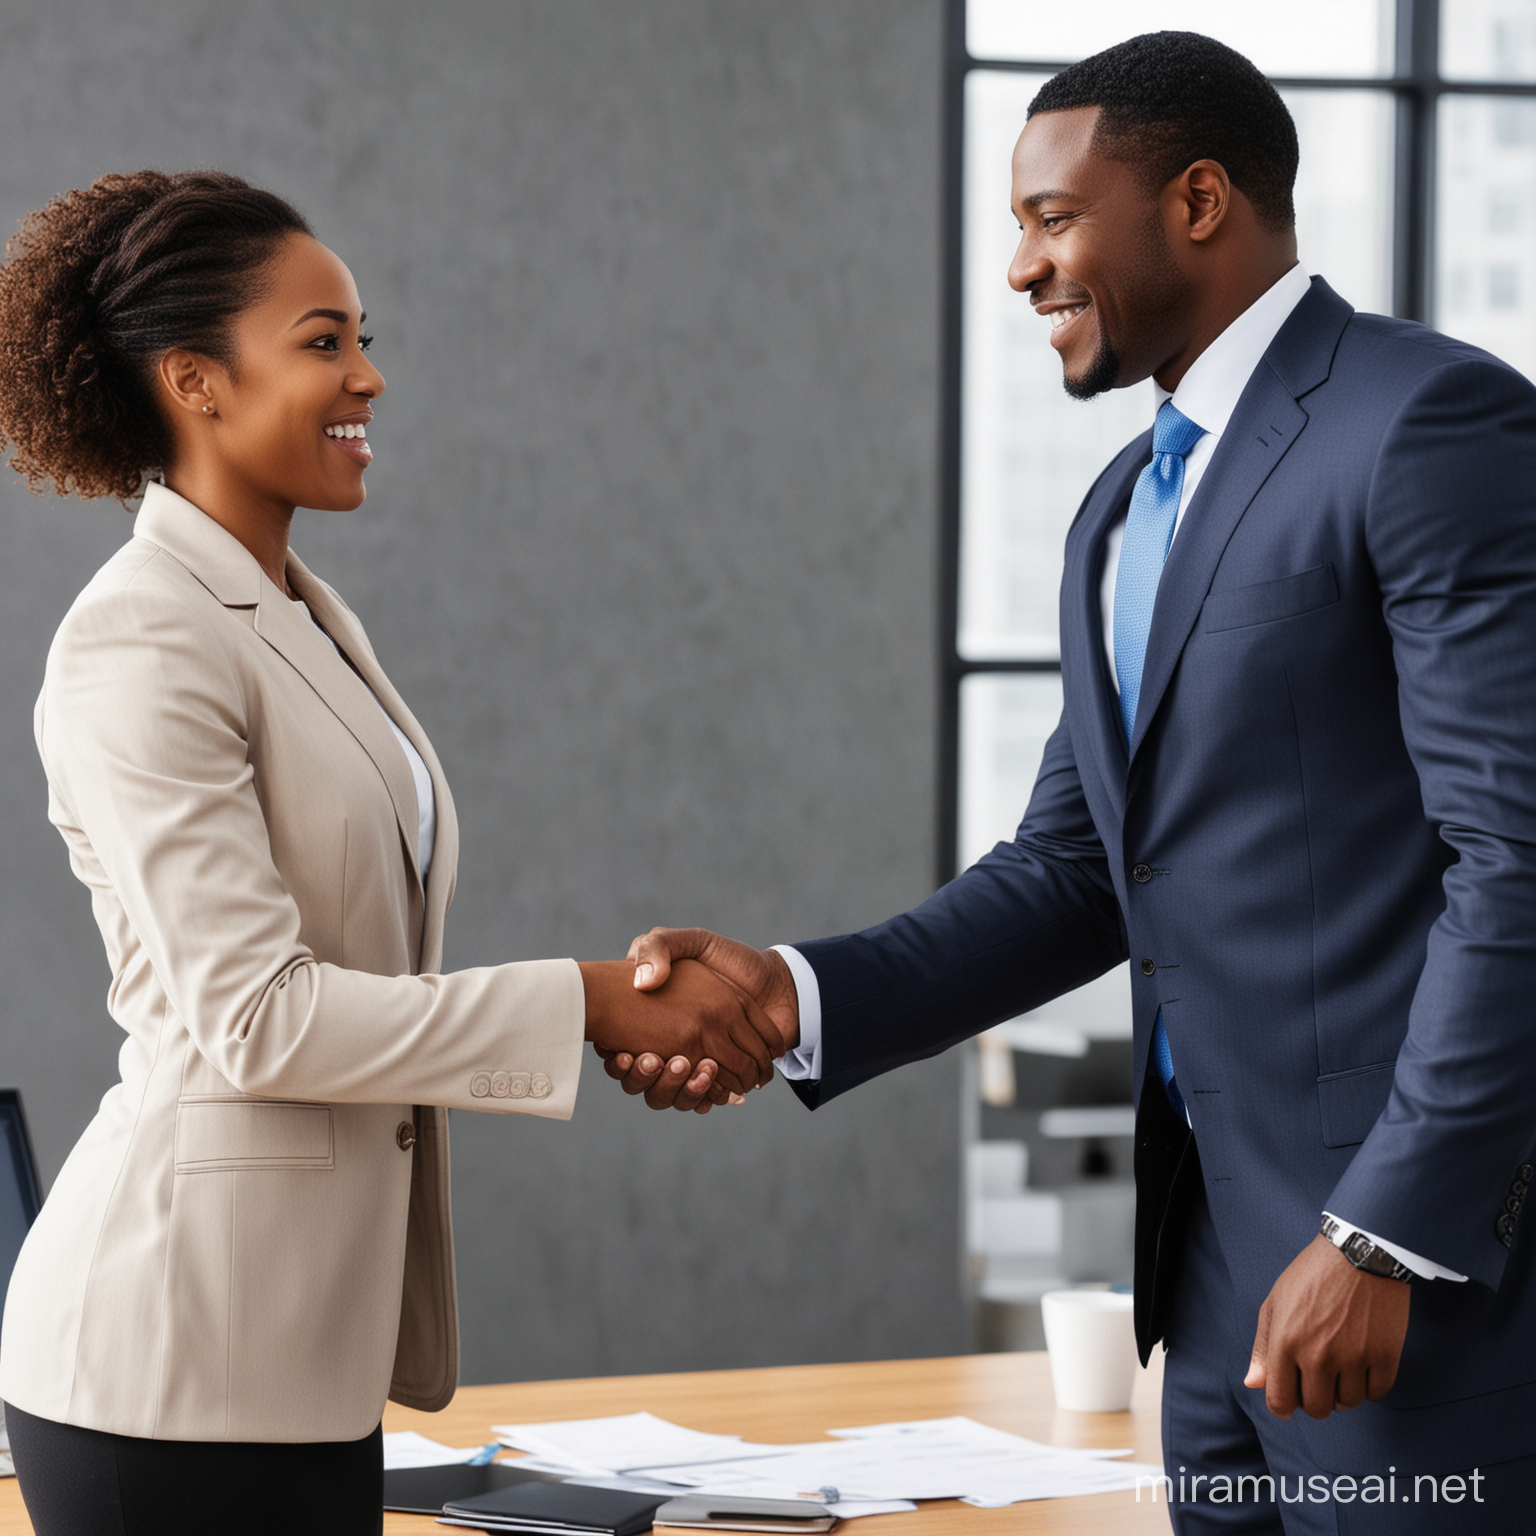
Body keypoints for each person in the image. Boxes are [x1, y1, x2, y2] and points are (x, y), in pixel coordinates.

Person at [606, 31, 1536, 1534]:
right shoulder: (1118, 509)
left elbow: (1522, 860)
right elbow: (1080, 868)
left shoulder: (1428, 425)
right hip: (1216, 1283)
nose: (1023, 269)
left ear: (1200, 200)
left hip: (1412, 1290)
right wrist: (788, 996)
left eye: (1051, 217)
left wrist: (1386, 1235)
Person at [0, 169, 780, 1536]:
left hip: (300, 1357)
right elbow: (259, 1017)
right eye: (323, 342)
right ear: (196, 383)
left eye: (366, 338)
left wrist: (599, 1012)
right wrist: (588, 1000)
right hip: (169, 1363)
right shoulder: (141, 636)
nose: (368, 377)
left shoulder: (295, 611)